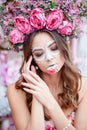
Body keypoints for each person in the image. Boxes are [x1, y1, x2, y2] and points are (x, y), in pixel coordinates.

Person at [6, 2, 87, 130]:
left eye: (54, 48)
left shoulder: (83, 86)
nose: (49, 58)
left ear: (63, 49)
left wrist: (49, 101)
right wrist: (37, 92)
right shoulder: (15, 91)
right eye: (39, 54)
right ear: (32, 60)